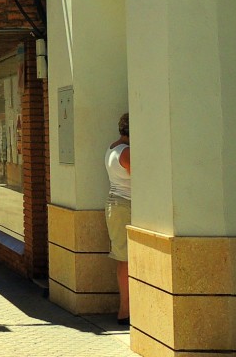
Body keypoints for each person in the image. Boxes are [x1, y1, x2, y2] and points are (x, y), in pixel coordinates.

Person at [105, 112, 131, 326]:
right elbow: (143, 178)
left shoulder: (113, 148)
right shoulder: (127, 153)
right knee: (125, 258)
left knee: (123, 258)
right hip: (125, 206)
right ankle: (125, 310)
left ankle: (126, 309)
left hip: (117, 204)